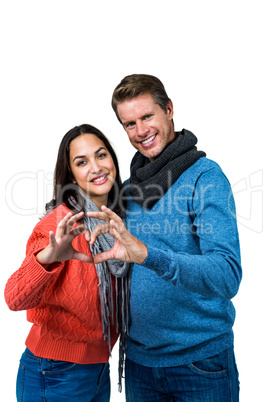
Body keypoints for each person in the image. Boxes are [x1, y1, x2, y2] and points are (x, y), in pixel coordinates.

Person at [87, 74, 242, 401]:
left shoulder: (205, 178)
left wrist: (148, 255)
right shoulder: (127, 190)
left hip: (200, 364)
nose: (140, 131)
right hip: (141, 367)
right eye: (129, 124)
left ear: (168, 109)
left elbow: (226, 275)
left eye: (147, 117)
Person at [4, 124, 129, 402]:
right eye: (81, 162)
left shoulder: (116, 221)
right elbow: (13, 298)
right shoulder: (61, 223)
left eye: (101, 155)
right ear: (70, 173)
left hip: (97, 369)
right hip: (54, 371)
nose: (96, 167)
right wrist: (47, 258)